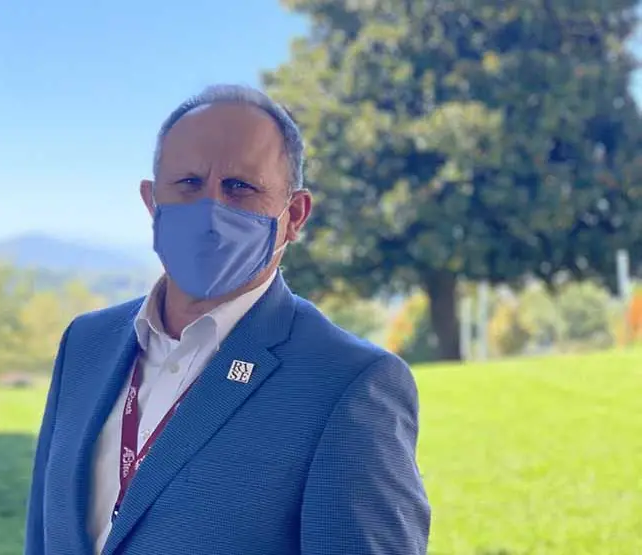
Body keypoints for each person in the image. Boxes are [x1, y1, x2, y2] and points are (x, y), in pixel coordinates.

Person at [23, 84, 430, 555]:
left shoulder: (348, 385)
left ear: (295, 215)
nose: (210, 210)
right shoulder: (86, 343)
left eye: (240, 187)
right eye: (188, 183)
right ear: (152, 201)